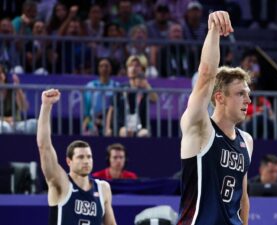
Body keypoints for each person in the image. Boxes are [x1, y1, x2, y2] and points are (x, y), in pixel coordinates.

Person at [177, 11, 253, 225]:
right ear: (219, 97)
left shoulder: (246, 141)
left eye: (248, 94)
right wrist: (213, 30)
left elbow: (243, 198)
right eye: (240, 94)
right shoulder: (200, 127)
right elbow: (206, 75)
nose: (248, 100)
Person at [36, 89, 117, 225]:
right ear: (69, 161)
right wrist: (46, 106)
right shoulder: (61, 182)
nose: (86, 161)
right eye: (80, 157)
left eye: (89, 157)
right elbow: (44, 147)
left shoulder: (103, 188)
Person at [105, 55, 158, 137]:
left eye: (137, 66)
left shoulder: (145, 89)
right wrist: (108, 128)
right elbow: (111, 108)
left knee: (145, 134)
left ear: (142, 69)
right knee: (124, 132)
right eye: (130, 66)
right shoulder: (120, 88)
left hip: (140, 127)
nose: (133, 68)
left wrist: (145, 84)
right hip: (122, 127)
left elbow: (154, 99)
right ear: (127, 70)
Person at [0, 65, 37, 134]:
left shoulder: (12, 90)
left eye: (1, 73)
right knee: (2, 127)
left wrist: (18, 88)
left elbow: (24, 107)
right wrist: (6, 120)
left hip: (16, 124)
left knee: (34, 124)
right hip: (2, 125)